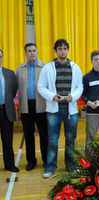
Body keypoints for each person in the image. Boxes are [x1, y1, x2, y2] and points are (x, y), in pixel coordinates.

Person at [38, 39, 83, 178]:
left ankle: (71, 165)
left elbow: (79, 87)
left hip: (71, 110)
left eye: (65, 48)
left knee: (70, 139)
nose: (63, 51)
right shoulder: (48, 68)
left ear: (68, 50)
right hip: (53, 110)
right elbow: (41, 86)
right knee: (52, 139)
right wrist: (52, 96)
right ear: (56, 51)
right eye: (60, 48)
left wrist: (73, 96)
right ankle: (50, 167)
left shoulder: (75, 67)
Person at [16, 43, 48, 171]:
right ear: (25, 53)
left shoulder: (45, 68)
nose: (32, 53)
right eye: (29, 51)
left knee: (44, 135)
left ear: (37, 52)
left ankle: (46, 160)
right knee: (28, 135)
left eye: (34, 50)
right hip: (26, 106)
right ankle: (31, 160)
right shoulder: (19, 69)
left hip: (42, 106)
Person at [0, 49, 19, 172]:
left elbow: (12, 92)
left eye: (0, 56)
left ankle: (10, 165)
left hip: (6, 110)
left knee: (7, 140)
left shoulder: (9, 73)